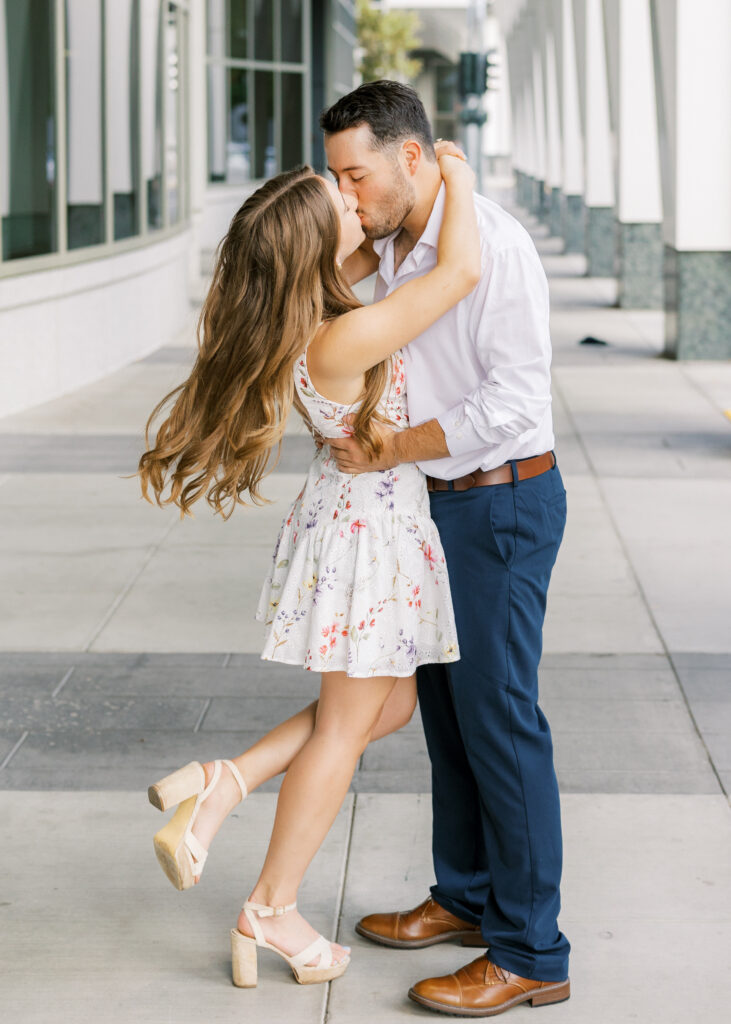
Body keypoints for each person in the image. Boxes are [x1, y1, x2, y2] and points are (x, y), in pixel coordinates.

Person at [138, 150, 480, 989]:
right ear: (317, 244)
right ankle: (272, 907)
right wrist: (454, 171)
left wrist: (352, 229)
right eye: (341, 198)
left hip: (356, 523)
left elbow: (360, 253)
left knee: (387, 705)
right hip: (367, 535)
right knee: (342, 730)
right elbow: (462, 270)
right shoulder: (348, 333)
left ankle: (226, 781)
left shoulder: (317, 312)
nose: (356, 202)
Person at [320, 80, 571, 1017]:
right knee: (448, 719)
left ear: (415, 156)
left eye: (359, 175)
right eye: (337, 178)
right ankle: (465, 897)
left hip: (499, 505)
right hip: (434, 510)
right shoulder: (390, 249)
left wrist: (392, 448)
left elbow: (510, 406)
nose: (349, 194)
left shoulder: (491, 248)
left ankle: (531, 949)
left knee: (502, 726)